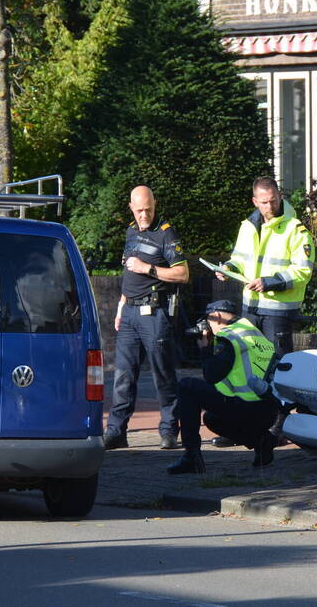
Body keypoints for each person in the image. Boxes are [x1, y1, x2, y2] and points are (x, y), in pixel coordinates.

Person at [104, 186, 189, 451]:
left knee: (162, 375)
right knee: (123, 377)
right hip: (129, 313)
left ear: (155, 204)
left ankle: (168, 431)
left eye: (148, 209)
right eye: (139, 210)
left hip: (154, 313)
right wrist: (121, 305)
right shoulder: (130, 231)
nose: (144, 215)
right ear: (131, 207)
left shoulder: (166, 233)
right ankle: (116, 432)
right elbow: (128, 276)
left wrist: (148, 268)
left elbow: (183, 274)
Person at [166, 300, 279, 474]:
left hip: (246, 405)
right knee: (212, 419)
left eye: (209, 322)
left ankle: (191, 458)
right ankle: (261, 442)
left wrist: (204, 349)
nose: (208, 327)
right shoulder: (253, 333)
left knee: (186, 386)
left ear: (217, 316)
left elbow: (211, 376)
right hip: (268, 410)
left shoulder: (228, 337)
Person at [217, 177, 314, 357]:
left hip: (278, 310)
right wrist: (229, 269)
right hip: (250, 307)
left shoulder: (296, 229)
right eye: (264, 202)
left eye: (273, 201)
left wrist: (269, 282)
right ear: (255, 201)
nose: (269, 207)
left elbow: (303, 271)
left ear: (280, 196)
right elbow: (239, 258)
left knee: (277, 365)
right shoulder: (247, 227)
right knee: (249, 362)